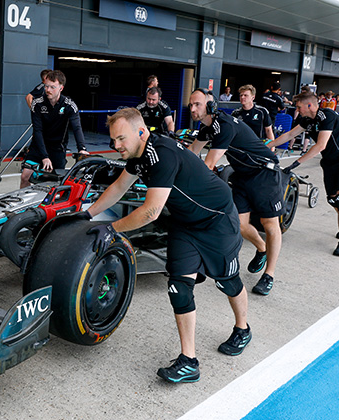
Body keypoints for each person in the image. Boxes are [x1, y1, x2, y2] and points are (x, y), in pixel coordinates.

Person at [80, 107, 249, 383]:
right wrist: (88, 215)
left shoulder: (162, 153)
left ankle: (242, 328)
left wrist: (110, 228)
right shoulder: (138, 157)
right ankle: (189, 361)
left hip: (217, 220)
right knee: (178, 287)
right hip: (186, 224)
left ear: (141, 131)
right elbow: (118, 188)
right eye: (113, 140)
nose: (116, 145)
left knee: (228, 282)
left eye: (121, 139)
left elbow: (151, 212)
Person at [188, 88, 283, 296]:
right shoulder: (208, 127)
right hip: (242, 175)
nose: (193, 109)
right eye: (191, 104)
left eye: (198, 105)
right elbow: (191, 152)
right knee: (239, 224)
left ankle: (269, 274)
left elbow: (209, 163)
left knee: (270, 224)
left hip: (264, 174)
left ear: (211, 106)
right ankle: (262, 248)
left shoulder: (224, 125)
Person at [270, 91, 339, 257]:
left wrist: (296, 163)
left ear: (309, 105)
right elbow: (290, 134)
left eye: (298, 107)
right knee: (332, 199)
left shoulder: (327, 115)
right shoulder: (306, 121)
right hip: (329, 164)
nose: (297, 110)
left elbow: (321, 145)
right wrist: (269, 145)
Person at [21, 70, 89, 187]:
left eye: (53, 87)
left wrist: (81, 148)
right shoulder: (37, 104)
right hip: (38, 147)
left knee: (53, 183)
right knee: (25, 176)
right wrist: (44, 156)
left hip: (57, 149)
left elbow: (77, 127)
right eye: (46, 86)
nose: (48, 90)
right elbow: (37, 130)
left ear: (61, 88)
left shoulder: (69, 105)